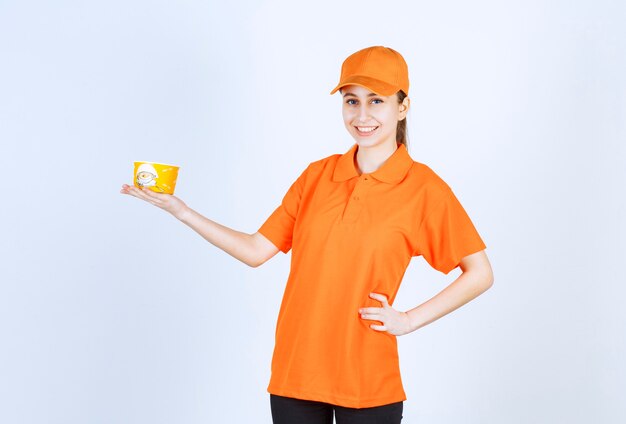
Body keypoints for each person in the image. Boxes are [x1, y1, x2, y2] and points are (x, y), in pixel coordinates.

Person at [120, 45, 494, 424]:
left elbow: (479, 273)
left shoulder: (424, 189)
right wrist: (181, 211)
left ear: (402, 107)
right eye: (351, 101)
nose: (362, 116)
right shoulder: (317, 176)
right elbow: (255, 250)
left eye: (376, 101)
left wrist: (409, 320)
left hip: (366, 379)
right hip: (295, 373)